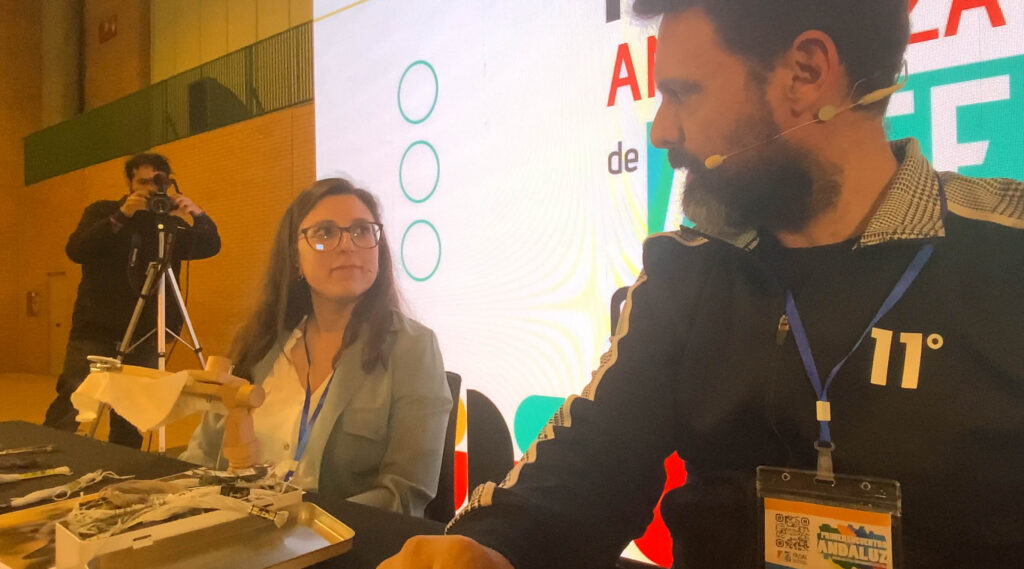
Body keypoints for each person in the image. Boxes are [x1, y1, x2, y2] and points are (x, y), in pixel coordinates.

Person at [380, 1, 1023, 567]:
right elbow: (598, 452)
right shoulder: (686, 269)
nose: (662, 130)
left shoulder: (1007, 252)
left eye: (683, 93)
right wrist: (490, 546)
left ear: (806, 72)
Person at [181, 178, 452, 516]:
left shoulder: (413, 347)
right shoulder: (259, 341)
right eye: (325, 233)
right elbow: (201, 457)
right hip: (227, 528)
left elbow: (404, 494)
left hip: (336, 539)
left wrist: (301, 522)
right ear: (294, 257)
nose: (347, 245)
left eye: (362, 231)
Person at [44, 152, 220, 448]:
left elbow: (211, 245)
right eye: (143, 182)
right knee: (73, 397)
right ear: (129, 183)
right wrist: (123, 215)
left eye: (157, 183)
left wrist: (198, 214)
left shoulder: (169, 224)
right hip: (96, 328)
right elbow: (77, 250)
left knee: (132, 409)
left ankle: (124, 462)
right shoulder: (104, 212)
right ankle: (47, 454)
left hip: (146, 332)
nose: (151, 189)